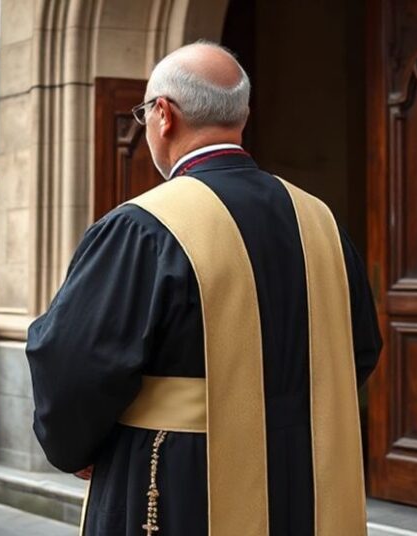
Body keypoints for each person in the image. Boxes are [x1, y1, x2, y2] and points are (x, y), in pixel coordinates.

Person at [26, 42, 382, 535]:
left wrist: (76, 446)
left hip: (178, 477)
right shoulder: (319, 220)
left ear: (163, 115)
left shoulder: (143, 225)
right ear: (244, 115)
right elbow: (361, 347)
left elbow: (73, 360)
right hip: (306, 474)